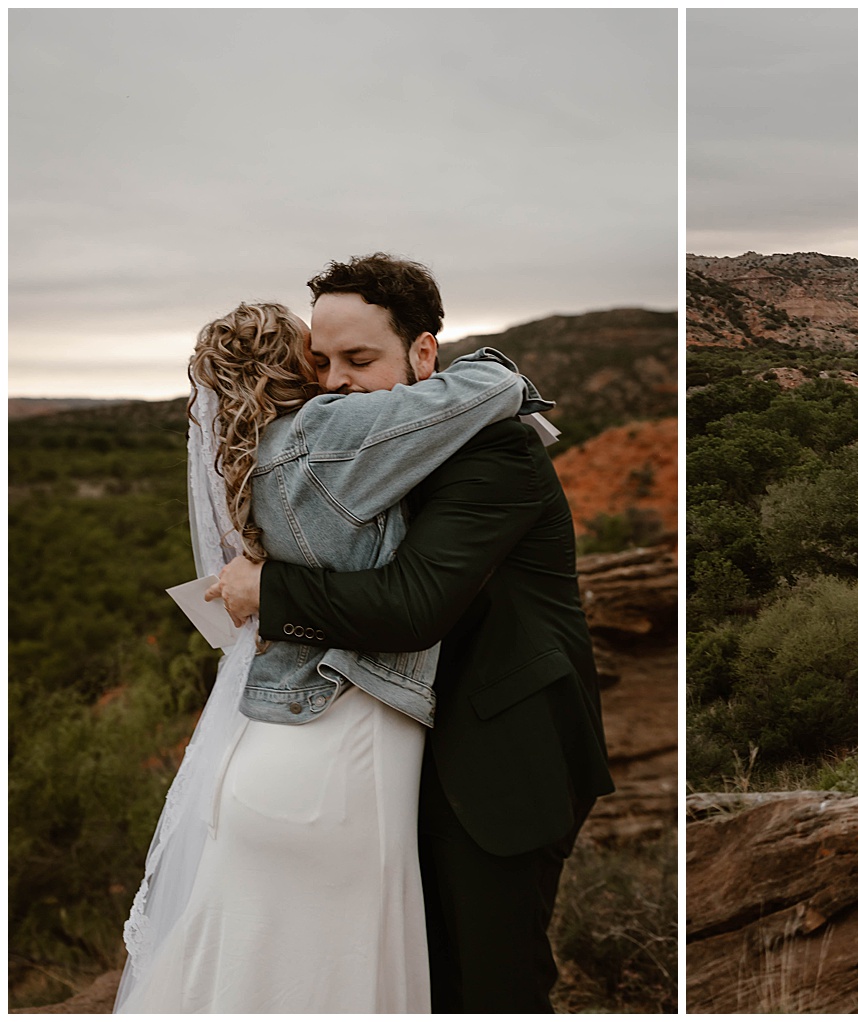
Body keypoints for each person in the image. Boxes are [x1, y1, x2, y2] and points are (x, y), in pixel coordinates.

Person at [207, 253, 616, 1012]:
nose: (333, 383)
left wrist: (269, 588)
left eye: (359, 360)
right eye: (319, 363)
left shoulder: (496, 454)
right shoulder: (364, 457)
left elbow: (414, 604)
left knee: (490, 987)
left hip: (496, 761)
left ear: (424, 354)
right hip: (395, 763)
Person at [117, 301, 544, 1012]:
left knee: (239, 974)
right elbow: (497, 389)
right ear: (298, 365)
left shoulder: (247, 457)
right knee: (343, 977)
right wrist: (474, 363)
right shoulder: (326, 433)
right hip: (337, 750)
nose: (338, 377)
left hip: (264, 742)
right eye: (323, 359)